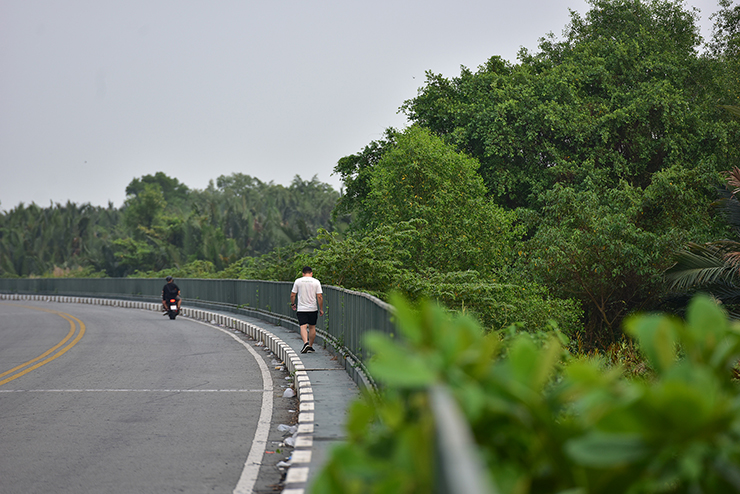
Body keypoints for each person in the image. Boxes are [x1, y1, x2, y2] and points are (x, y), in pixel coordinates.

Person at [290, 266, 323, 353]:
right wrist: (321, 309)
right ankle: (310, 346)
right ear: (311, 273)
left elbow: (293, 295)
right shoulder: (316, 282)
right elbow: (319, 296)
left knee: (303, 326)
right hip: (313, 308)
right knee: (312, 327)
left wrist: (293, 304)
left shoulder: (298, 281)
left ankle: (306, 343)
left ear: (303, 274)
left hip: (301, 308)